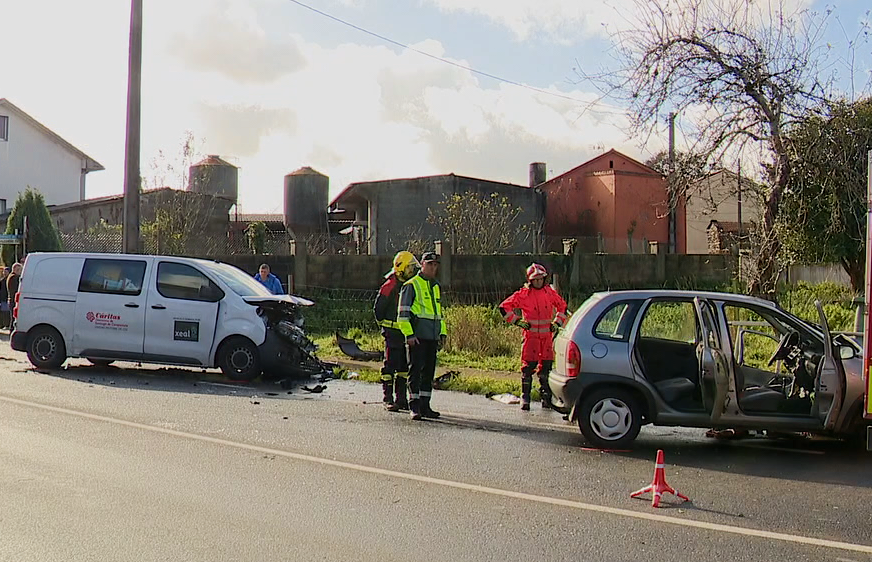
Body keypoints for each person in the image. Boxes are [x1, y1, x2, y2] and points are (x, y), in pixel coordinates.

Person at [499, 263, 568, 411]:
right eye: (535, 280)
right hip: (531, 337)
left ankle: (546, 398)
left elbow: (562, 306)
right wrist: (518, 321)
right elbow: (504, 307)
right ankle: (525, 397)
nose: (538, 282)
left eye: (540, 279)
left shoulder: (549, 293)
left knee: (546, 368)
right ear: (530, 280)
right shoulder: (524, 294)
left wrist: (557, 323)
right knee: (528, 367)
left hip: (546, 337)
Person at [397, 251, 447, 421]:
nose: (433, 268)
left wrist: (442, 333)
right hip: (417, 336)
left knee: (429, 373)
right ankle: (414, 406)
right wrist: (409, 334)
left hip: (432, 336)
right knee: (415, 372)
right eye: (430, 264)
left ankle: (425, 405)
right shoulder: (411, 285)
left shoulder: (436, 286)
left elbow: (439, 312)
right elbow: (402, 314)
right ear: (422, 265)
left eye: (435, 265)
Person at [374, 251, 420, 411]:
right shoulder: (390, 285)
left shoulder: (409, 285)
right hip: (392, 334)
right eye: (409, 268)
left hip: (404, 333)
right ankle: (388, 398)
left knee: (403, 367)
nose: (412, 271)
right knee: (390, 366)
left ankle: (401, 399)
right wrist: (386, 327)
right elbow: (378, 310)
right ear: (401, 269)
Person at [7, 263, 22, 330]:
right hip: (13, 300)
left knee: (12, 319)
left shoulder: (11, 276)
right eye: (20, 270)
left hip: (11, 300)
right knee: (13, 319)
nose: (21, 272)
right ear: (16, 269)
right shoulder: (13, 277)